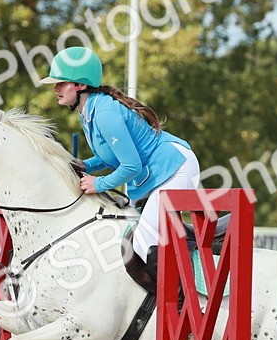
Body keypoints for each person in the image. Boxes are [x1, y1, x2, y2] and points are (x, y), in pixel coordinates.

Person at [42, 46, 200, 270]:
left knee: (145, 238)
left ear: (80, 85)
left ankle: (178, 299)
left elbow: (131, 166)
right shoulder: (87, 111)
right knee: (125, 232)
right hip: (153, 175)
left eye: (61, 82)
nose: (55, 88)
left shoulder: (105, 113)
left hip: (175, 167)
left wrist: (99, 183)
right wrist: (86, 164)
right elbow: (109, 157)